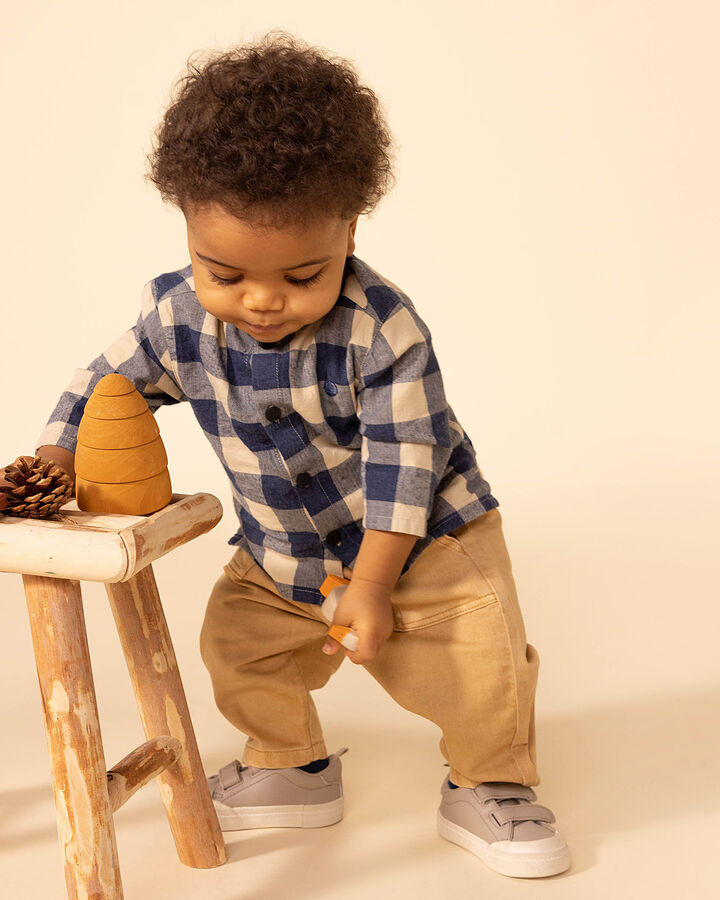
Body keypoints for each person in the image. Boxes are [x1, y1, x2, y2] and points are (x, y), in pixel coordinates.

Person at [31, 32, 571, 879]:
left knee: (479, 667)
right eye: (225, 273)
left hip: (422, 545)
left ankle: (491, 781)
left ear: (350, 229)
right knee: (236, 651)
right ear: (186, 231)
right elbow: (108, 383)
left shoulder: (378, 328)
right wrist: (56, 450)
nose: (262, 302)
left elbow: (406, 459)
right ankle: (292, 767)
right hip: (280, 550)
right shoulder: (175, 318)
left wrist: (373, 585)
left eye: (301, 274)